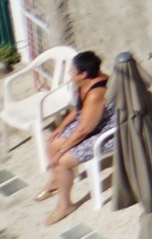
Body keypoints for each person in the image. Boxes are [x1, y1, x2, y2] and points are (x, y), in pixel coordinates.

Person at [34, 53, 112, 221]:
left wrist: (63, 149)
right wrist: (61, 127)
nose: (69, 73)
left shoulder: (96, 92)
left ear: (83, 74)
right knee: (52, 145)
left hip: (106, 132)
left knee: (62, 161)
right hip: (91, 123)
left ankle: (65, 205)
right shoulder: (82, 84)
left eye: (72, 70)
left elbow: (84, 130)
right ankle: (55, 181)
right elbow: (78, 110)